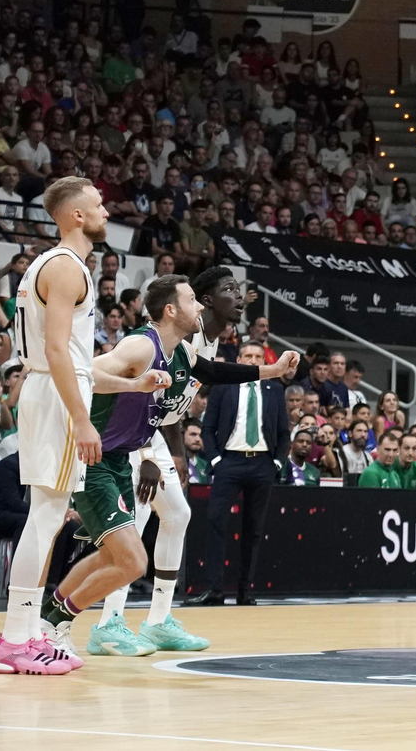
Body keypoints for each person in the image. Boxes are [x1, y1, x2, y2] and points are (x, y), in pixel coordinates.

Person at [95, 265, 297, 649]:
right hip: (122, 435)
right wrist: (147, 452)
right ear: (205, 302)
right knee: (134, 522)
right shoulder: (173, 339)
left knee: (178, 514)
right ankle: (109, 623)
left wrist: (271, 370)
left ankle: (158, 620)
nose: (239, 296)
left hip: (149, 432)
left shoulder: (203, 342)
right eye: (229, 289)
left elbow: (198, 379)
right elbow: (138, 392)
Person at [0, 177, 134, 675]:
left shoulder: (50, 266)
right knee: (46, 518)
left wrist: (133, 385)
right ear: (75, 215)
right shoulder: (67, 268)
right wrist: (82, 419)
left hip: (48, 390)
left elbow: (71, 357)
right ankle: (15, 639)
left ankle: (24, 635)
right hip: (55, 397)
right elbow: (57, 353)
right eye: (97, 205)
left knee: (46, 518)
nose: (105, 212)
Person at [35, 275, 189, 660]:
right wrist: (137, 384)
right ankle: (57, 623)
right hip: (94, 459)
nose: (199, 306)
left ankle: (45, 622)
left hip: (120, 460)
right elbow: (84, 372)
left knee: (109, 557)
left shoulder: (178, 354)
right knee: (134, 562)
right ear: (170, 310)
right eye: (192, 299)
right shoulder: (140, 344)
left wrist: (269, 374)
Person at [189, 342, 289, 606]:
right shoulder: (224, 387)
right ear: (239, 359)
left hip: (262, 464)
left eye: (258, 357)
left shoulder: (275, 389)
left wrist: (277, 463)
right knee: (215, 522)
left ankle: (245, 591)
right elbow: (207, 429)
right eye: (248, 356)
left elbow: (283, 433)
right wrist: (218, 460)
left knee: (253, 529)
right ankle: (214, 590)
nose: (253, 360)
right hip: (229, 462)